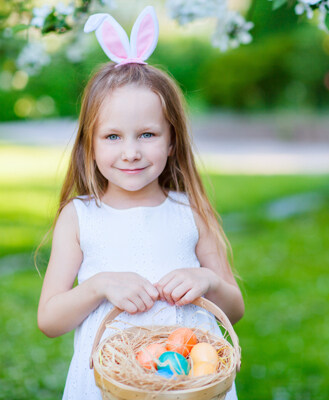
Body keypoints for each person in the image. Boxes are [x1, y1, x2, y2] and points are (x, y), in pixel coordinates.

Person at [36, 6, 244, 399]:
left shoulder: (190, 212)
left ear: (171, 140)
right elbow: (49, 319)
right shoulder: (80, 217)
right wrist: (98, 286)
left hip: (190, 386)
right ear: (89, 147)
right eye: (112, 137)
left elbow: (234, 309)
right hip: (109, 384)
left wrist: (208, 281)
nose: (130, 152)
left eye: (146, 134)